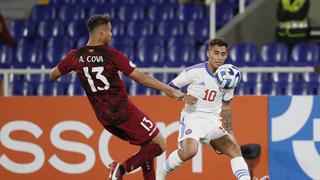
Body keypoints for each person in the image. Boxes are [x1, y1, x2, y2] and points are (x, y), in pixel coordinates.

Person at [49, 14, 197, 180]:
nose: (111, 35)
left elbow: (53, 75)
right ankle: (121, 169)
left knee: (146, 145)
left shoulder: (75, 56)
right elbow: (142, 78)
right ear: (101, 34)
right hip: (123, 112)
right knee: (159, 145)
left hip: (104, 117)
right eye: (110, 31)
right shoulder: (111, 55)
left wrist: (76, 69)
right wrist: (172, 91)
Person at [156, 39, 251, 180]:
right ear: (208, 53)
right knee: (190, 151)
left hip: (212, 121)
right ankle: (161, 172)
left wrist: (230, 131)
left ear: (227, 56)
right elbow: (169, 88)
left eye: (223, 54)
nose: (219, 57)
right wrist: (182, 96)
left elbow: (226, 105)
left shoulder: (229, 77)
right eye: (216, 53)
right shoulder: (194, 72)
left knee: (235, 149)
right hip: (192, 117)